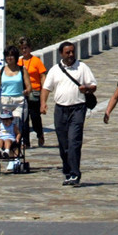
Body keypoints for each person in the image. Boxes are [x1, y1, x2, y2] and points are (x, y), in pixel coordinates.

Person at [40, 40, 97, 187]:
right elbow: (46, 88)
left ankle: (75, 173)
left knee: (74, 142)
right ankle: (67, 170)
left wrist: (87, 88)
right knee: (63, 143)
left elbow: (93, 85)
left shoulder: (82, 67)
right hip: (60, 110)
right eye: (68, 52)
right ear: (61, 54)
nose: (71, 55)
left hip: (78, 108)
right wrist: (43, 103)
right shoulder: (54, 70)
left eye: (72, 52)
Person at [0, 47, 30, 153]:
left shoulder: (22, 70)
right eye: (7, 56)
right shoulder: (1, 71)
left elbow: (29, 86)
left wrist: (27, 91)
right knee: (4, 125)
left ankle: (16, 153)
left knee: (16, 125)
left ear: (16, 57)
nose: (9, 58)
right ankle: (3, 149)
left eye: (12, 55)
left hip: (19, 101)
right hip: (5, 101)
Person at [18, 39, 48, 148]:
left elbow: (42, 76)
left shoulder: (36, 61)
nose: (24, 50)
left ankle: (39, 133)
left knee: (35, 116)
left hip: (35, 92)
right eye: (22, 49)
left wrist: (44, 89)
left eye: (26, 48)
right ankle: (25, 142)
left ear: (30, 48)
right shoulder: (19, 62)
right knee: (24, 119)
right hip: (23, 92)